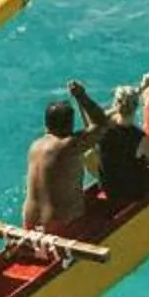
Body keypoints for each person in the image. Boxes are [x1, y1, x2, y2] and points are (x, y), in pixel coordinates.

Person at [68, 82, 149, 212]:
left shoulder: (103, 126)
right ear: (136, 107)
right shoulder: (139, 137)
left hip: (108, 187)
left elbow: (90, 122)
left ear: (116, 105)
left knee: (94, 154)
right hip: (128, 190)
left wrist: (80, 98)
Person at [22, 97, 95, 236]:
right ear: (71, 125)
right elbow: (101, 124)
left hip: (29, 224)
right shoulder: (68, 146)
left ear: (46, 124)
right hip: (60, 227)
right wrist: (82, 96)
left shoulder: (35, 146)